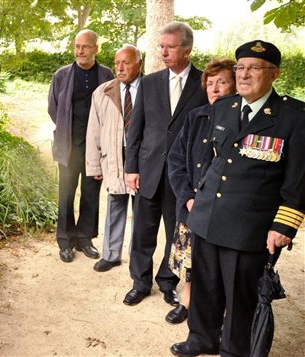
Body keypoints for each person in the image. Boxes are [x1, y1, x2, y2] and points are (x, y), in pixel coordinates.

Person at [171, 40, 305, 357]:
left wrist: (284, 226)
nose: (243, 74)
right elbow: (209, 161)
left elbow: (298, 182)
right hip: (206, 217)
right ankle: (201, 338)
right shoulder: (224, 107)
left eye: (253, 68)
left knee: (239, 296)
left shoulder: (294, 118)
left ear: (274, 74)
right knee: (204, 286)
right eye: (240, 67)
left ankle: (233, 350)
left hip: (249, 228)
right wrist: (194, 200)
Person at [123, 22, 208, 306]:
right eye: (161, 47)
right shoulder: (148, 83)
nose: (164, 52)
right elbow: (135, 129)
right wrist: (131, 168)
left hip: (181, 176)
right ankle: (140, 282)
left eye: (170, 47)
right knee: (142, 233)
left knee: (176, 234)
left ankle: (168, 282)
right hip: (148, 171)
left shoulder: (203, 83)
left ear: (187, 49)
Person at [164, 58, 236, 325]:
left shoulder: (242, 120)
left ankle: (225, 314)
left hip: (224, 211)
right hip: (192, 207)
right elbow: (176, 161)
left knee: (222, 268)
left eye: (222, 82)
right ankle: (187, 303)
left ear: (235, 86)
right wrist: (188, 198)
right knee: (190, 261)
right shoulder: (196, 117)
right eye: (210, 83)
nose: (214, 88)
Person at [48, 29, 114, 263]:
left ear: (96, 48)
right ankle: (65, 242)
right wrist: (68, 130)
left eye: (85, 46)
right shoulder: (61, 75)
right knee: (65, 194)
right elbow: (53, 109)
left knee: (91, 194)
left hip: (95, 148)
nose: (80, 51)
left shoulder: (107, 75)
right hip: (68, 146)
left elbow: (113, 110)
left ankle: (85, 239)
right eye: (77, 46)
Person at [85, 44, 142, 272]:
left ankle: (137, 258)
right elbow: (94, 130)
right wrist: (93, 164)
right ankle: (111, 254)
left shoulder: (151, 88)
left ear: (139, 63)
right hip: (115, 156)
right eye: (117, 63)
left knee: (142, 210)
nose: (120, 68)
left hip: (141, 158)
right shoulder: (102, 92)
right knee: (115, 204)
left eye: (126, 62)